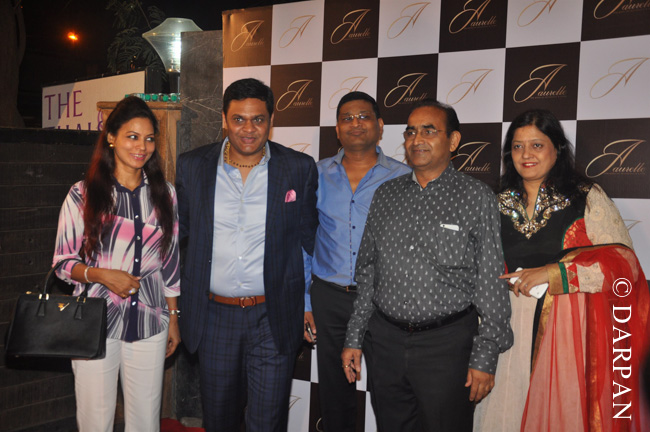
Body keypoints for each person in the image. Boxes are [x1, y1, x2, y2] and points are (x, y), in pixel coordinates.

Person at [473, 109, 650, 432]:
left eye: (537, 145)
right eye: (517, 146)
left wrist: (554, 273)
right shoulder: (492, 203)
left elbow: (625, 266)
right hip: (505, 332)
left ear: (557, 149)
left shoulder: (586, 197)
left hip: (567, 336)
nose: (526, 154)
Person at [342, 99, 513, 432]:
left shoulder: (476, 197)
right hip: (386, 344)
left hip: (447, 346)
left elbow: (491, 281)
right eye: (410, 132)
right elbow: (367, 271)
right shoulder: (386, 195)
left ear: (453, 140)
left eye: (429, 131)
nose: (416, 139)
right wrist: (354, 336)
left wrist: (485, 355)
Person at [175, 78, 319, 432]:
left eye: (258, 119)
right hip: (214, 316)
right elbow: (180, 239)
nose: (248, 129)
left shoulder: (298, 167)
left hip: (274, 316)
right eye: (239, 119)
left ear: (271, 120)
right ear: (224, 119)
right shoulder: (193, 166)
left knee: (267, 421)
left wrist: (306, 302)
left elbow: (307, 241)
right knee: (219, 420)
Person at [53, 96, 181, 432]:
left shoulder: (165, 194)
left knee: (146, 422)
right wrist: (102, 275)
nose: (142, 147)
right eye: (132, 136)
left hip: (150, 321)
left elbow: (170, 261)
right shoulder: (82, 194)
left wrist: (173, 318)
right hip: (94, 323)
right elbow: (63, 263)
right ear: (111, 137)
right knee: (96, 421)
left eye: (149, 138)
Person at [304, 91, 410, 431]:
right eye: (347, 118)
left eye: (364, 116)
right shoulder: (315, 175)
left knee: (390, 392)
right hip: (329, 298)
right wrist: (306, 301)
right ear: (337, 129)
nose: (355, 123)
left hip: (383, 300)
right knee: (334, 394)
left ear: (380, 126)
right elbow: (305, 241)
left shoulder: (404, 177)